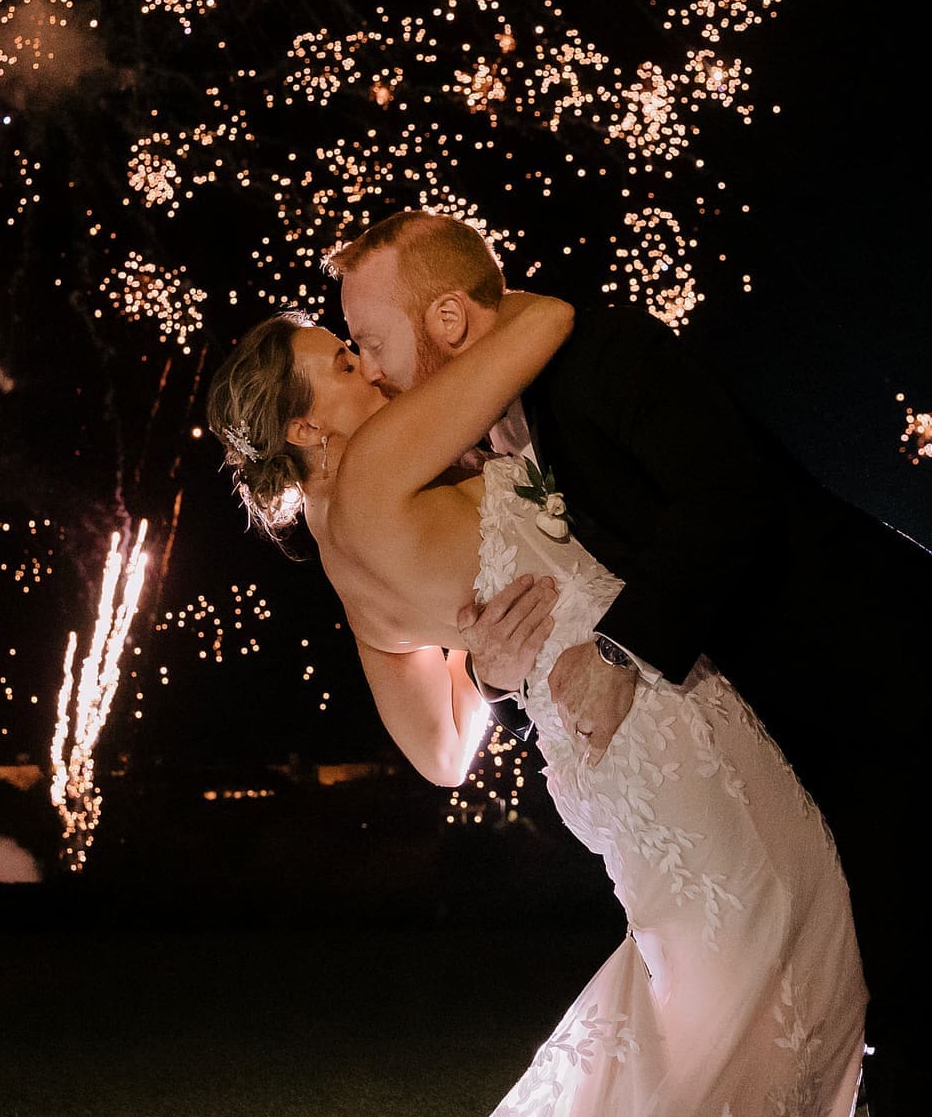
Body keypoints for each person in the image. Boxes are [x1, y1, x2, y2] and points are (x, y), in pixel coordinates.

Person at [329, 210, 932, 1117]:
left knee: (908, 951)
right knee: (829, 958)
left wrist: (619, 651)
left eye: (370, 342)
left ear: (448, 319)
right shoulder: (482, 437)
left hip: (858, 657)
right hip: (751, 707)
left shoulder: (604, 355)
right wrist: (491, 673)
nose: (368, 367)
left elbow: (730, 498)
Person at [206, 286, 867, 1113]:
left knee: (732, 991)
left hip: (600, 772)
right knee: (787, 957)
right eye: (344, 362)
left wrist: (484, 672)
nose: (368, 368)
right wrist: (446, 297)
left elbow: (441, 754)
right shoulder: (375, 461)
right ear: (306, 430)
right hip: (653, 726)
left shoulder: (344, 560)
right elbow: (547, 320)